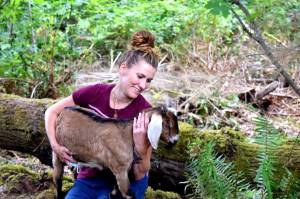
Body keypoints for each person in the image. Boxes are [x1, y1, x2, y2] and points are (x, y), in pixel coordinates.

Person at [45, 30, 160, 199]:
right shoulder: (95, 93)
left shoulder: (144, 112)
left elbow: (139, 174)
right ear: (123, 68)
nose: (143, 85)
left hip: (127, 182)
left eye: (149, 80)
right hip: (90, 179)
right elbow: (52, 111)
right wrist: (55, 145)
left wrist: (141, 148)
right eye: (140, 76)